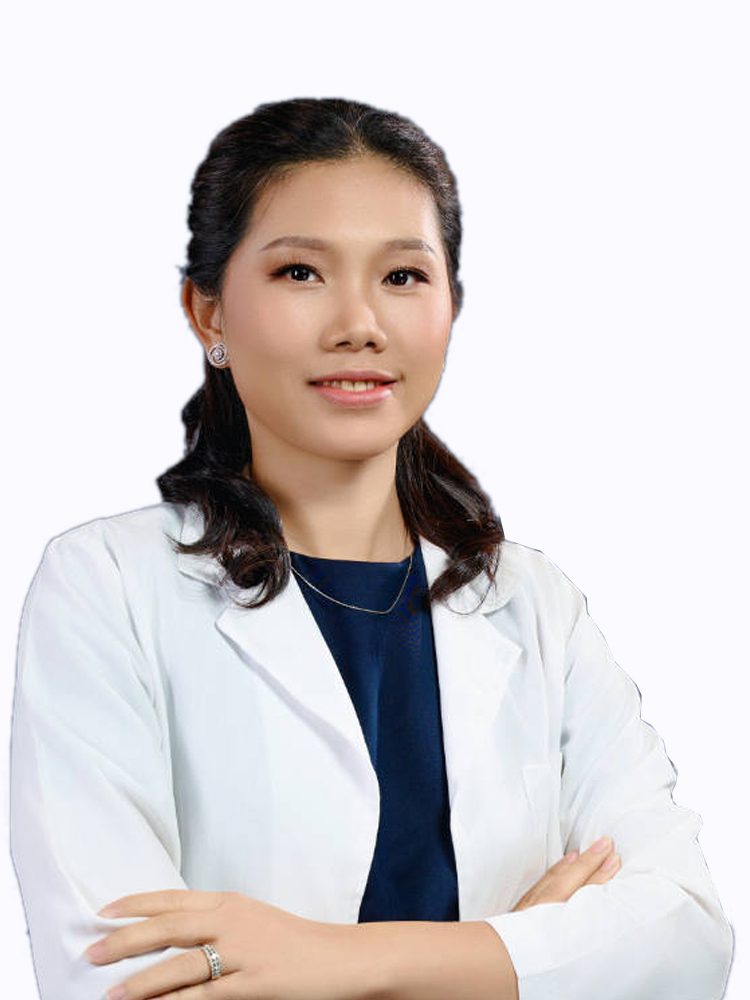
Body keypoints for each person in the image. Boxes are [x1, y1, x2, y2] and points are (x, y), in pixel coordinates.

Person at [9, 96, 732, 1000]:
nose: (360, 324)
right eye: (301, 272)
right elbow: (126, 981)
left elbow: (686, 939)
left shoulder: (535, 605)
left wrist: (328, 960)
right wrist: (514, 958)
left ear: (451, 305)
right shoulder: (106, 587)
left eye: (402, 276)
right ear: (208, 313)